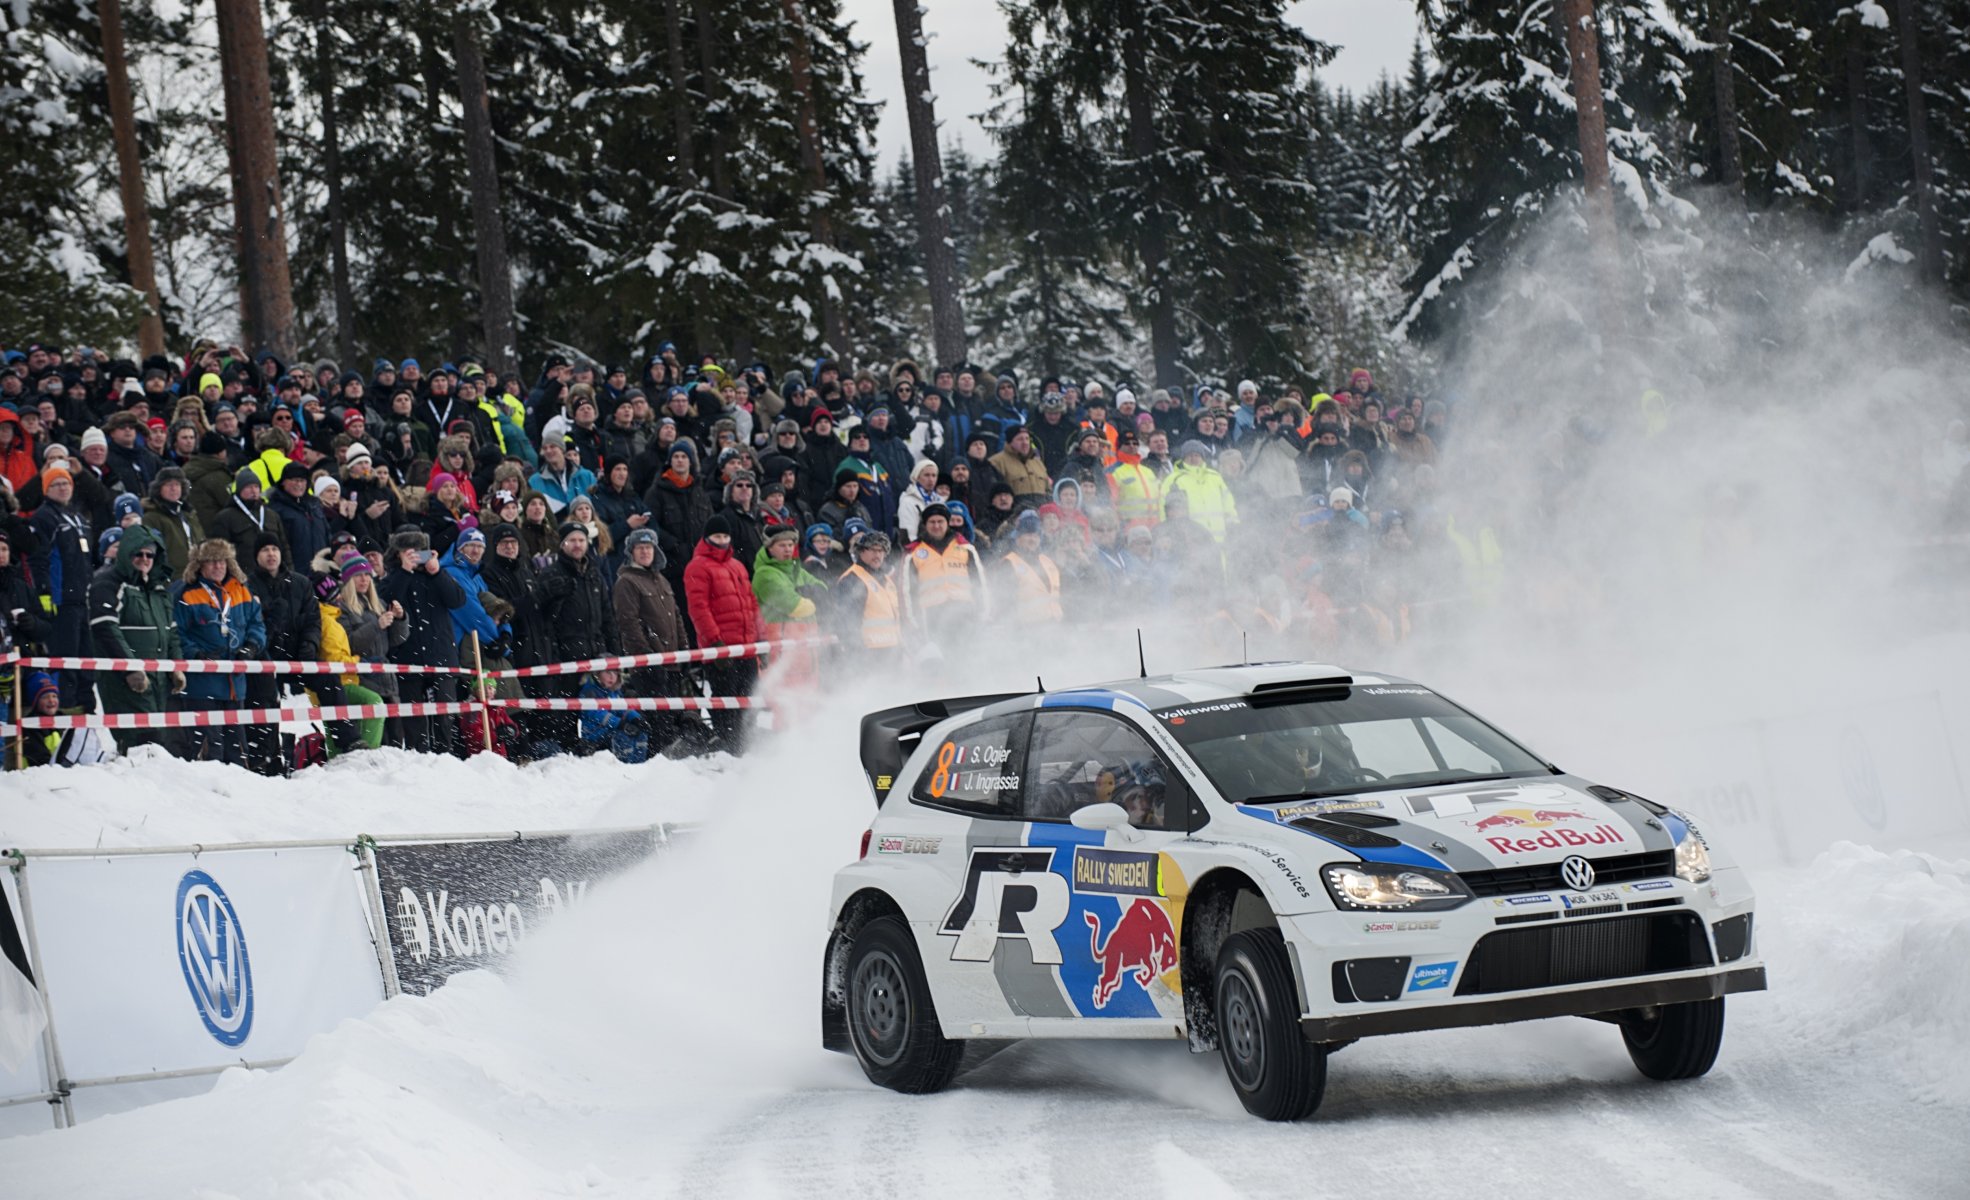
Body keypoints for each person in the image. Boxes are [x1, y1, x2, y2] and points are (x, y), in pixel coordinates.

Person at [87, 524, 181, 755]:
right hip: (123, 681)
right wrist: (130, 669)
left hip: (158, 682)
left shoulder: (158, 590)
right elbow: (105, 628)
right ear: (126, 553)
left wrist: (175, 667)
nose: (144, 559)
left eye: (150, 554)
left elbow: (172, 633)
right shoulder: (107, 583)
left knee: (157, 745)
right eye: (138, 553)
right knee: (139, 743)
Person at [377, 529, 470, 755]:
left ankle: (445, 755)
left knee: (444, 716)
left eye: (419, 551)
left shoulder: (438, 575)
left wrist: (437, 572)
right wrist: (405, 571)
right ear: (398, 553)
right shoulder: (391, 577)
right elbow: (387, 598)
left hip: (441, 655)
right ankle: (417, 758)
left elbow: (458, 600)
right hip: (408, 656)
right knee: (414, 717)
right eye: (409, 552)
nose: (415, 556)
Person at [175, 538, 266, 765]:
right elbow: (177, 634)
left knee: (238, 751)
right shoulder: (187, 595)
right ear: (200, 565)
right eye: (212, 562)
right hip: (202, 685)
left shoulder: (241, 591)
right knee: (211, 751)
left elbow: (257, 623)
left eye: (222, 561)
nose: (218, 566)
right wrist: (196, 654)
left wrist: (252, 646)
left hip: (235, 685)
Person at [536, 520, 620, 750]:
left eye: (581, 540)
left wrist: (615, 651)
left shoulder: (595, 574)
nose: (577, 545)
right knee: (568, 708)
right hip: (566, 654)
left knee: (602, 705)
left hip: (597, 653)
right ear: (562, 544)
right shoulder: (551, 573)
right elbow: (544, 618)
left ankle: (601, 745)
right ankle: (568, 750)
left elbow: (608, 616)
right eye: (572, 540)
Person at [682, 512, 761, 749]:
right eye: (717, 535)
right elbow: (699, 609)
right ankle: (727, 745)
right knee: (725, 699)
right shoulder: (697, 567)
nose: (722, 540)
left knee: (749, 698)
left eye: (725, 535)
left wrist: (761, 639)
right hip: (721, 648)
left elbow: (752, 603)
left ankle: (746, 744)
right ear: (707, 538)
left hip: (746, 646)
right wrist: (715, 642)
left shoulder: (737, 566)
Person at [26, 463, 95, 711]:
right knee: (65, 660)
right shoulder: (44, 517)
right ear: (46, 489)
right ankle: (64, 710)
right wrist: (44, 596)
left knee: (86, 659)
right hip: (61, 601)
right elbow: (37, 559)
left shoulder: (77, 517)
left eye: (65, 482)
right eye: (55, 484)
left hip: (81, 598)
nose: (62, 488)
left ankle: (87, 710)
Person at [329, 549, 406, 752]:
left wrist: (400, 619)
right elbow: (350, 644)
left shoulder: (377, 603)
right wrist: (376, 625)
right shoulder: (342, 607)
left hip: (386, 676)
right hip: (362, 675)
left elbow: (397, 640)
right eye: (357, 575)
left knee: (394, 741)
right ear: (348, 580)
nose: (364, 579)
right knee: (373, 736)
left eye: (366, 575)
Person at [898, 503, 988, 646]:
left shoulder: (965, 548)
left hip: (965, 611)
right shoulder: (913, 553)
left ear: (947, 523)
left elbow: (980, 583)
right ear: (925, 525)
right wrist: (912, 623)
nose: (936, 526)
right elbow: (907, 591)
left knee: (969, 657)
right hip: (931, 615)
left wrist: (984, 613)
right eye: (932, 522)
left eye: (940, 522)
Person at [751, 526, 826, 688]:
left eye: (790, 545)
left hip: (807, 653)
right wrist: (813, 597)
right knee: (785, 704)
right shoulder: (765, 574)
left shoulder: (796, 570)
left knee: (810, 704)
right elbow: (795, 607)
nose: (788, 549)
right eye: (782, 545)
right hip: (782, 653)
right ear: (769, 547)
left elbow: (825, 591)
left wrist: (806, 594)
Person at [829, 530, 902, 656]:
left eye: (881, 551)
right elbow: (846, 621)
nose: (877, 555)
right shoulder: (852, 579)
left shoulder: (887, 580)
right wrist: (856, 651)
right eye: (873, 550)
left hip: (892, 650)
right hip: (868, 652)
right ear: (861, 551)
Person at [1162, 440, 1238, 542]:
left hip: (1220, 538)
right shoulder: (1174, 480)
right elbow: (1164, 508)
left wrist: (1233, 523)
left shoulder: (1215, 477)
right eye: (1190, 455)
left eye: (1197, 455)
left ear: (1202, 457)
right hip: (1191, 541)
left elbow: (1228, 503)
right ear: (1183, 458)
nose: (1193, 459)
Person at [1000, 510, 1064, 624]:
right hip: (1026, 627)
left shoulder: (1048, 562)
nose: (1033, 539)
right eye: (1028, 534)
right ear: (1018, 538)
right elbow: (1004, 600)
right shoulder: (1010, 562)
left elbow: (1060, 594)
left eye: (1036, 535)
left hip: (1054, 624)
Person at [140, 466, 203, 576]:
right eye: (168, 484)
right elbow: (151, 554)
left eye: (177, 484)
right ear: (159, 489)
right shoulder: (151, 518)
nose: (173, 488)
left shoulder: (189, 515)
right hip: (171, 580)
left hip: (196, 577)